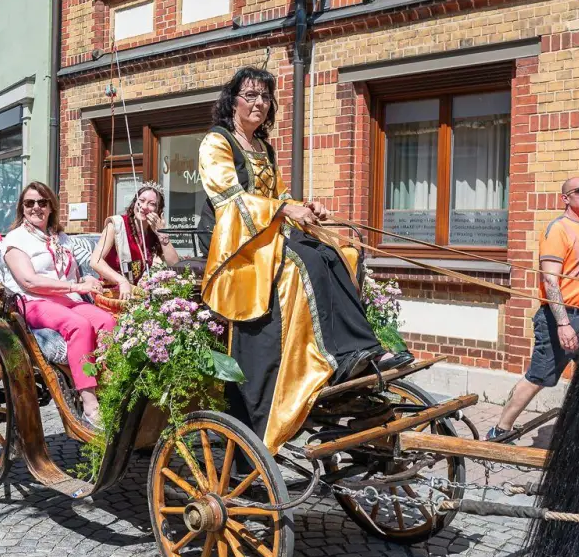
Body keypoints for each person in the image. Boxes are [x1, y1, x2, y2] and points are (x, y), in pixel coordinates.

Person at [196, 67, 407, 452]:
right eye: (251, 95)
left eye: (265, 97)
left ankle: (358, 351)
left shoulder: (263, 146)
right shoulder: (217, 142)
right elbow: (228, 198)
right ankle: (329, 355)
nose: (259, 103)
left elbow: (277, 194)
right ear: (233, 100)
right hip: (233, 248)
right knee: (302, 263)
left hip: (265, 236)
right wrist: (284, 210)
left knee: (336, 251)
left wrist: (303, 207)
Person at [487, 177, 579, 441]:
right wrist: (563, 323)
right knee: (540, 377)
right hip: (561, 318)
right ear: (565, 198)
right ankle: (500, 430)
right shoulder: (558, 230)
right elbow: (550, 280)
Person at [2, 181, 113, 426]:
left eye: (42, 202)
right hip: (34, 302)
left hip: (66, 299)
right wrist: (75, 287)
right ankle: (89, 403)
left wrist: (87, 279)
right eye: (29, 203)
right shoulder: (16, 239)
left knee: (108, 321)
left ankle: (109, 385)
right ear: (22, 207)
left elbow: (70, 275)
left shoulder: (60, 238)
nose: (36, 208)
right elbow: (29, 281)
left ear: (51, 206)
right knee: (78, 326)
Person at [92, 184, 180, 300]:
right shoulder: (116, 225)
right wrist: (122, 281)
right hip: (110, 293)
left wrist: (162, 234)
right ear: (134, 203)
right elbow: (95, 261)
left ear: (158, 211)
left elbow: (174, 265)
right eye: (141, 201)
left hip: (135, 295)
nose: (144, 207)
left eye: (151, 204)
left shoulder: (152, 233)